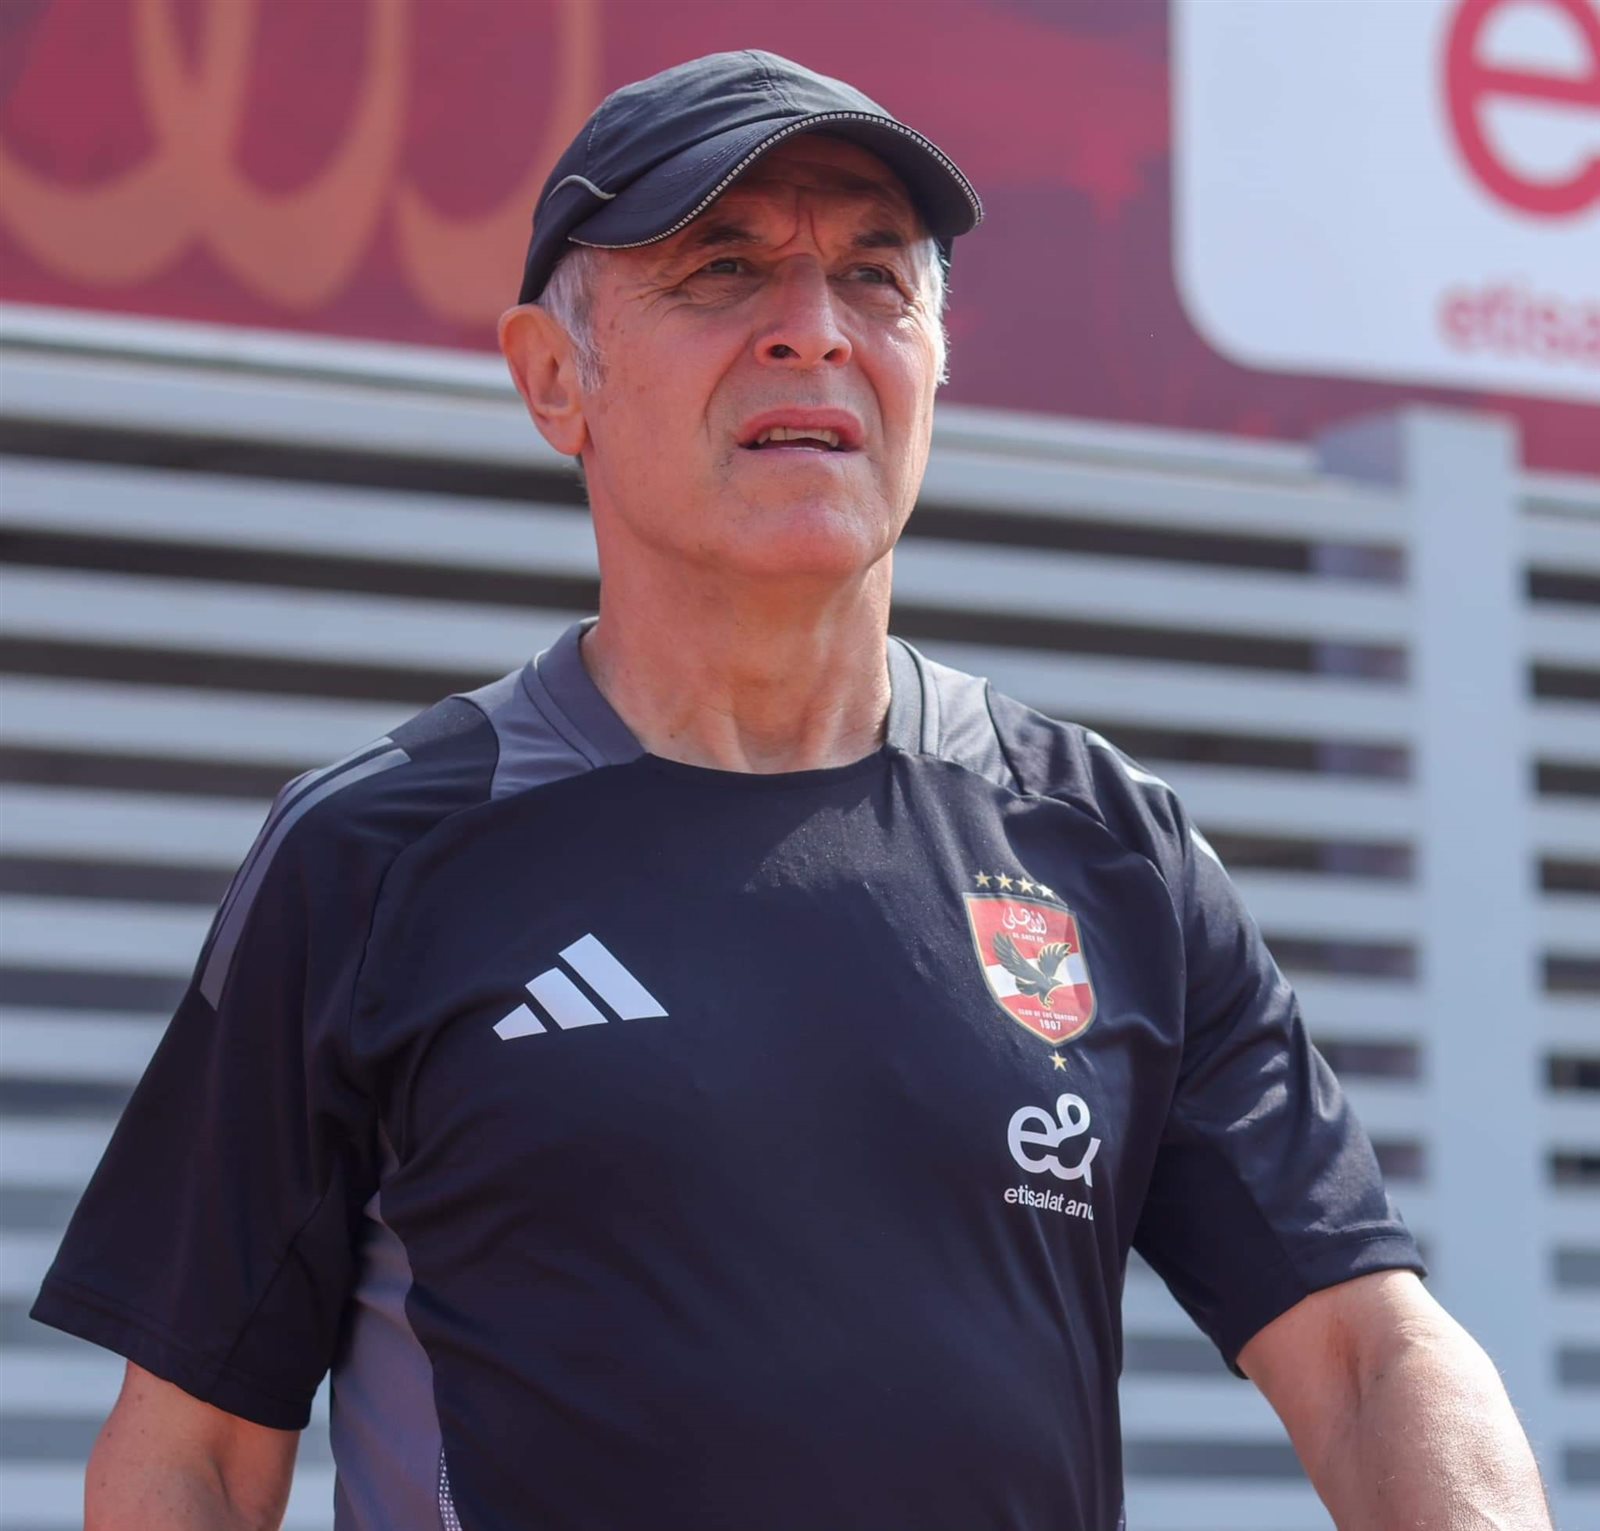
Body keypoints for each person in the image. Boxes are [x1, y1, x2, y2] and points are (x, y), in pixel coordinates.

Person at [37, 50, 1550, 1531]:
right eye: (722, 271)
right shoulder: (373, 858)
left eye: (877, 278)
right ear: (555, 378)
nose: (814, 332)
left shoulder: (1106, 849)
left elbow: (1368, 1359)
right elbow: (193, 1461)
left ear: (936, 363)